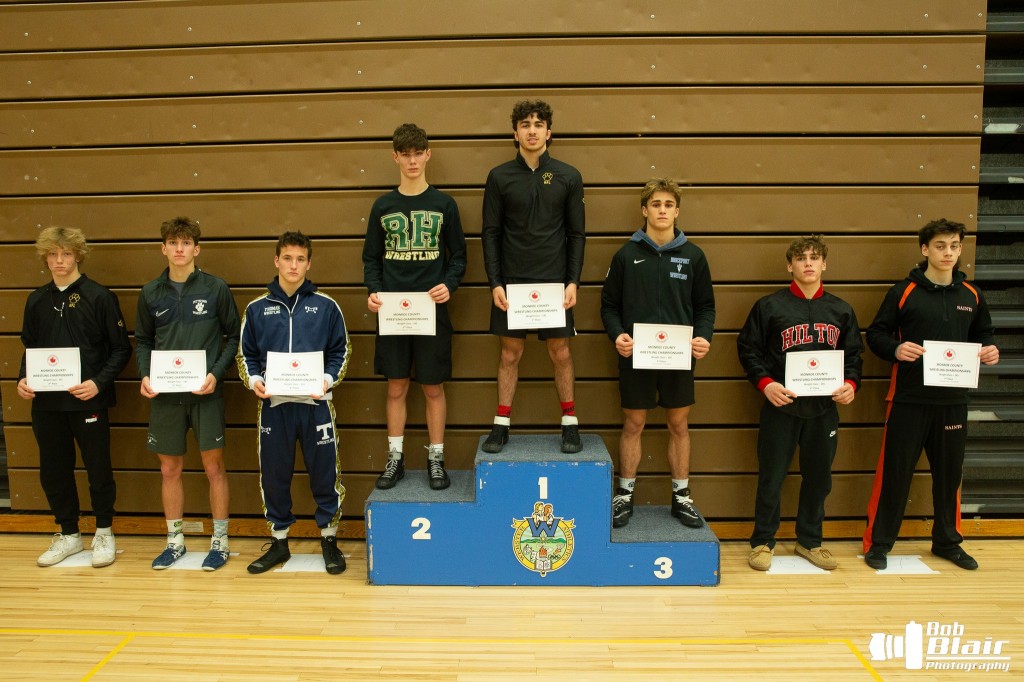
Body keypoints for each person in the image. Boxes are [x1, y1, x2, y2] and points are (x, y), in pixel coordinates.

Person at [862, 219, 999, 571]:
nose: (948, 252)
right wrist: (896, 349)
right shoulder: (904, 291)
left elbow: (984, 335)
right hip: (908, 401)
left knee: (949, 478)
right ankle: (879, 544)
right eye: (940, 246)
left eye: (954, 246)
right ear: (925, 249)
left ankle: (947, 542)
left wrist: (990, 349)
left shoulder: (972, 295)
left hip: (953, 403)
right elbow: (876, 334)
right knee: (895, 476)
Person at [737, 235, 863, 571]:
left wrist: (851, 385)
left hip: (823, 409)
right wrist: (765, 384)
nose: (808, 263)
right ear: (789, 266)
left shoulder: (841, 310)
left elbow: (854, 356)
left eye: (814, 257)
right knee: (772, 476)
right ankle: (763, 542)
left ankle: (810, 541)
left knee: (819, 478)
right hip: (781, 406)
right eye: (801, 258)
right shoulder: (769, 307)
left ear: (824, 264)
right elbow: (748, 350)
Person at [600, 178, 715, 529]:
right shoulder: (626, 255)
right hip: (636, 356)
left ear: (677, 211)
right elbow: (609, 306)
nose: (662, 210)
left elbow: (705, 307)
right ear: (644, 210)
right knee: (634, 423)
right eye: (656, 204)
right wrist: (617, 335)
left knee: (678, 423)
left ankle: (681, 497)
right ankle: (624, 495)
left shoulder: (693, 256)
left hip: (678, 357)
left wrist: (703, 337)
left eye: (668, 205)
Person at [236, 231, 351, 575]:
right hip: (275, 407)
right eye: (287, 258)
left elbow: (341, 351)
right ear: (276, 260)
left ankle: (329, 539)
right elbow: (245, 355)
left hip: (316, 405)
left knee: (325, 473)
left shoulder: (327, 306)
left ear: (309, 263)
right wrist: (254, 380)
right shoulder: (257, 308)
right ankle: (279, 542)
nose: (293, 265)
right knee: (274, 475)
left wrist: (327, 379)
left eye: (300, 259)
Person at [17, 227, 131, 568]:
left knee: (98, 469)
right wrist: (23, 379)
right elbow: (30, 349)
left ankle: (104, 532)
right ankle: (68, 533)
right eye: (53, 254)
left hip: (88, 401)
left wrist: (98, 383)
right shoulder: (36, 300)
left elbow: (121, 349)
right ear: (45, 258)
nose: (60, 261)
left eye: (66, 254)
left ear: (78, 255)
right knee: (54, 469)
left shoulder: (100, 297)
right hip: (47, 404)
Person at [363, 123, 467, 491]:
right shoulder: (383, 206)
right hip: (393, 312)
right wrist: (374, 292)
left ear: (427, 155)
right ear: (395, 157)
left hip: (431, 312)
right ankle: (395, 459)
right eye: (405, 154)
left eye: (417, 153)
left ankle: (436, 459)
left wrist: (448, 285)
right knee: (396, 387)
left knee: (433, 388)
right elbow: (371, 259)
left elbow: (459, 256)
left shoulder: (444, 204)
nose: (412, 160)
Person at [480, 99, 586, 454]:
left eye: (538, 124)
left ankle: (569, 423)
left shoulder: (569, 176)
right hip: (512, 283)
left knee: (560, 352)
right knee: (510, 353)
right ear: (515, 133)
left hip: (555, 282)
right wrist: (495, 282)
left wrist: (573, 281)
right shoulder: (499, 177)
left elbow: (577, 234)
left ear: (549, 132)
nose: (532, 130)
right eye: (525, 124)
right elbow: (491, 233)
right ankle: (501, 424)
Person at [136, 217, 240, 571]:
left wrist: (215, 374)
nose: (179, 249)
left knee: (214, 467)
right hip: (166, 396)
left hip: (205, 393)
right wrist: (146, 374)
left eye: (185, 243)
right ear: (163, 248)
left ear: (197, 249)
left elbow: (234, 337)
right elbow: (143, 340)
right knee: (169, 468)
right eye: (173, 243)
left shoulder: (215, 288)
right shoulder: (150, 292)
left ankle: (220, 542)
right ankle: (175, 541)